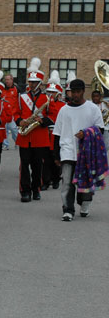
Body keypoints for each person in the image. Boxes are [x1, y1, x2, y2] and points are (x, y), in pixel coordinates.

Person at [53, 79, 106, 221]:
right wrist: (56, 154)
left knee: (86, 181)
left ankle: (85, 204)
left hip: (86, 152)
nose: (75, 95)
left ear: (83, 91)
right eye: (72, 92)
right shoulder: (64, 110)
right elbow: (57, 134)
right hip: (67, 150)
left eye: (77, 92)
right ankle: (68, 209)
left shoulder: (92, 108)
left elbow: (100, 129)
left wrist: (86, 132)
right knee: (67, 182)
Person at [16, 57, 53, 202]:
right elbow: (15, 112)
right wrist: (20, 121)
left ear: (40, 83)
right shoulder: (22, 97)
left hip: (40, 137)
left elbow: (54, 115)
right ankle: (25, 191)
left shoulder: (47, 98)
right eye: (30, 82)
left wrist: (42, 120)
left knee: (38, 166)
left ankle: (36, 188)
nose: (31, 84)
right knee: (24, 166)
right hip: (25, 136)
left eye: (34, 82)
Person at [2, 73, 20, 149]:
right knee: (4, 130)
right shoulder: (2, 88)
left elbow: (19, 100)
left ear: (12, 80)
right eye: (6, 79)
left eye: (8, 79)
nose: (7, 81)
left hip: (12, 113)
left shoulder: (16, 89)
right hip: (4, 113)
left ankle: (18, 142)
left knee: (14, 130)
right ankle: (5, 145)